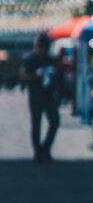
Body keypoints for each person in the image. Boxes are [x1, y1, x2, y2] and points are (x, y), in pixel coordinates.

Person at [20, 32, 62, 162]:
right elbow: (23, 76)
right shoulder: (29, 59)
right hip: (36, 94)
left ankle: (45, 148)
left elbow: (59, 76)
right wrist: (36, 76)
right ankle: (38, 151)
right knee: (36, 123)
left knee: (54, 121)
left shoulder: (51, 60)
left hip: (49, 94)